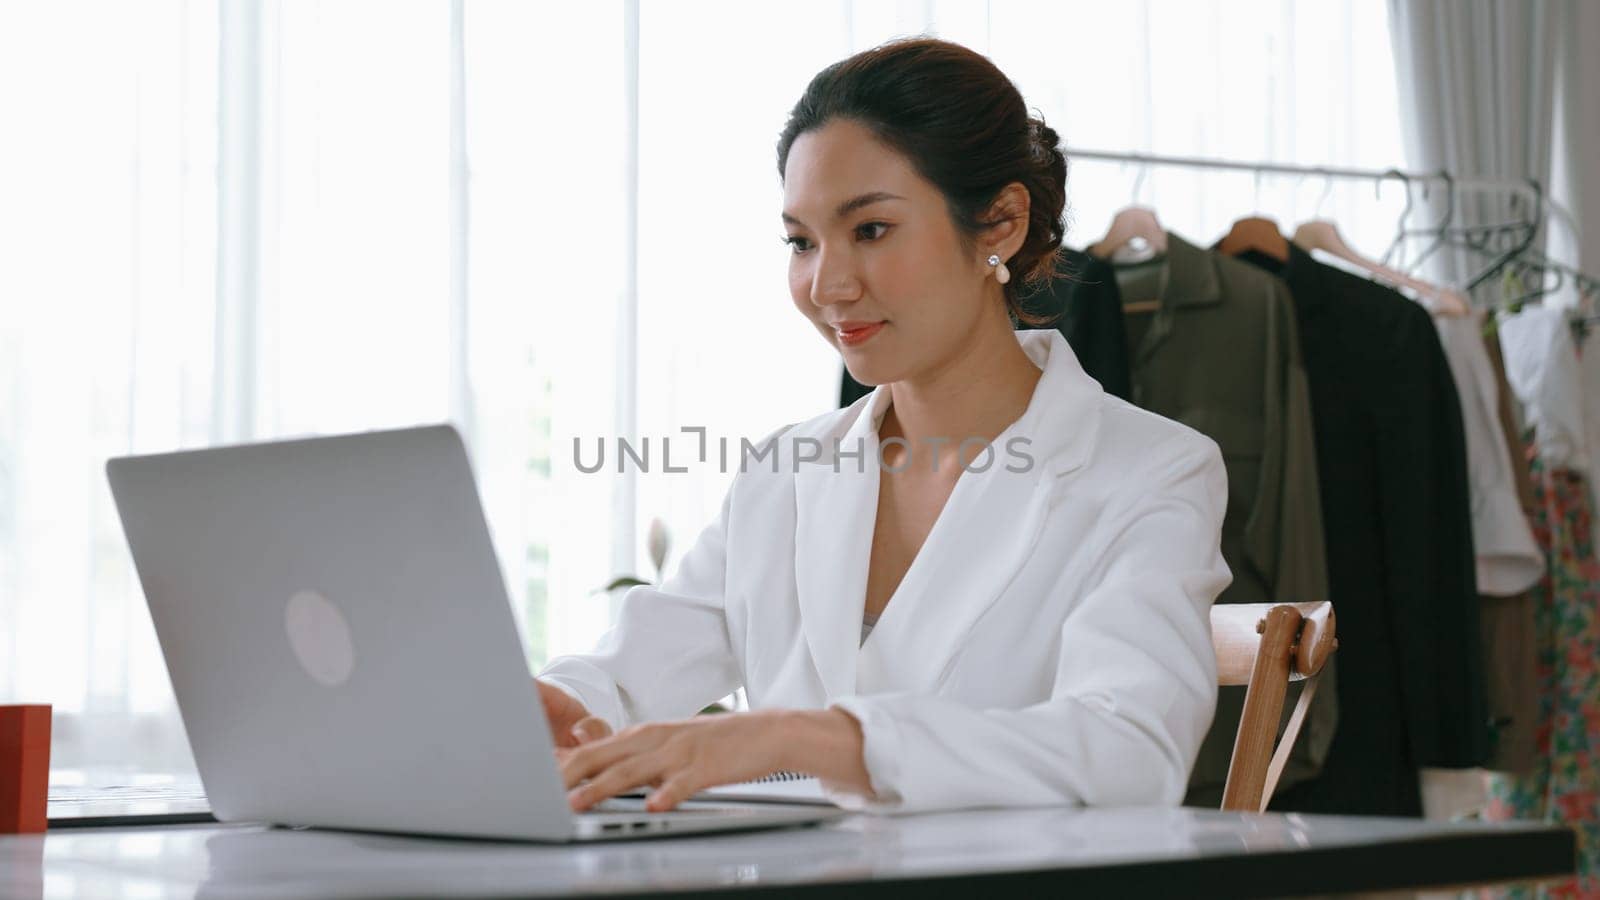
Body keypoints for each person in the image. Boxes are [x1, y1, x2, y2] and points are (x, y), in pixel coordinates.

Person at [537, 37, 1231, 815]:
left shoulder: (1152, 470)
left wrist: (807, 740)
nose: (826, 284)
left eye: (869, 230)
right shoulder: (787, 470)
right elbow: (629, 670)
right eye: (801, 242)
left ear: (1000, 223)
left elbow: (1129, 756)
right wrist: (556, 703)